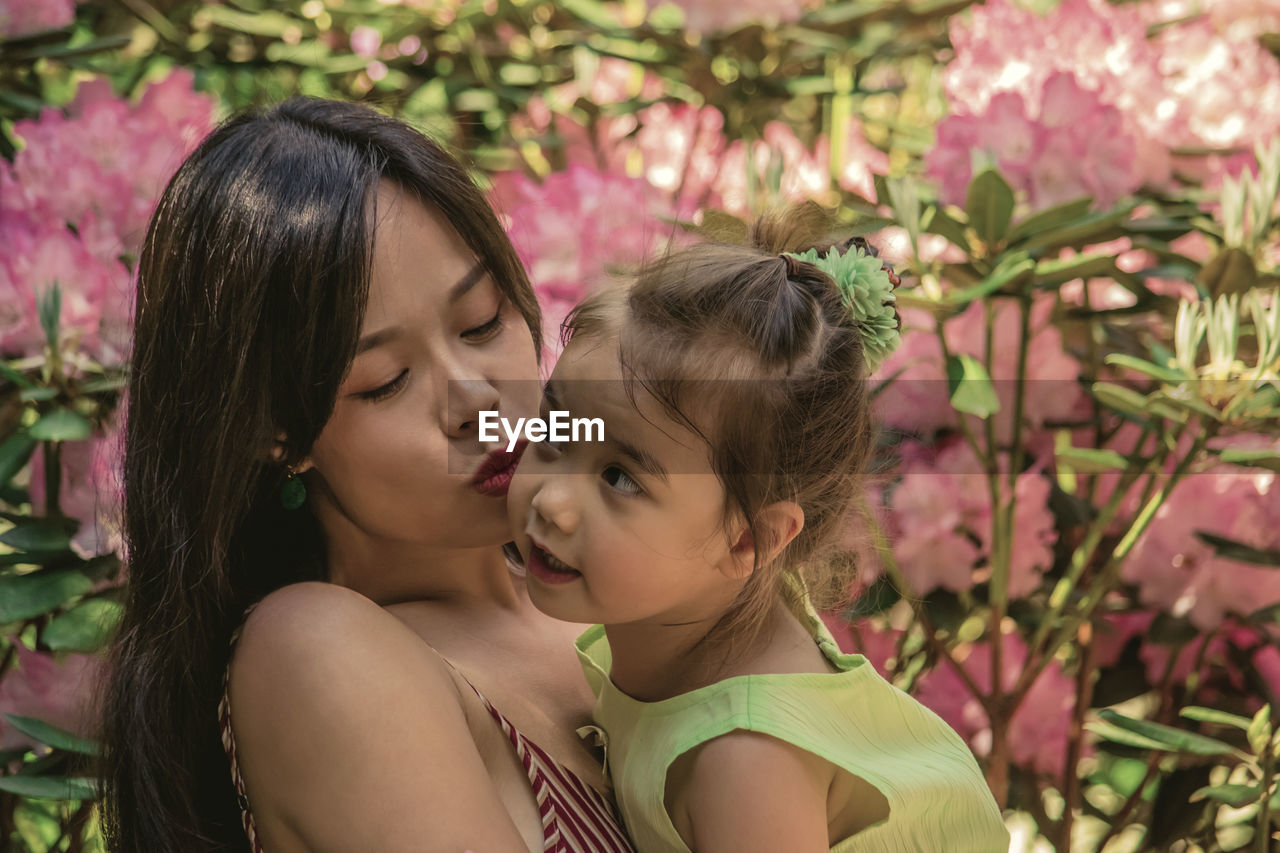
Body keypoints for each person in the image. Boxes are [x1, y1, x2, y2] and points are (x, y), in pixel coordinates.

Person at [100, 97, 633, 853]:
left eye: (482, 322)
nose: (475, 401)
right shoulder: (318, 650)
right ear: (275, 434)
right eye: (385, 379)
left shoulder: (616, 588)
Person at [506, 208, 1011, 852]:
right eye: (558, 429)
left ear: (750, 540)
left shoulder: (744, 760)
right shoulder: (701, 618)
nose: (553, 502)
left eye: (621, 478)